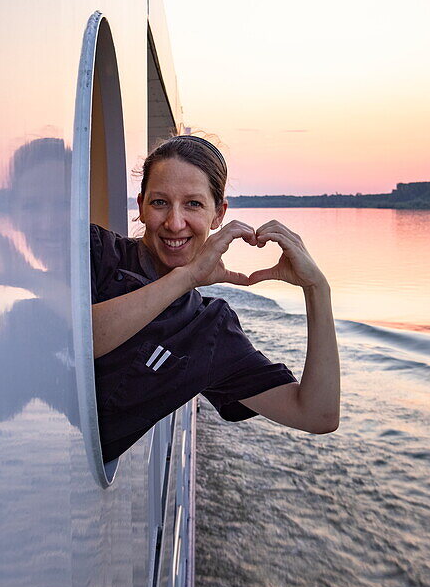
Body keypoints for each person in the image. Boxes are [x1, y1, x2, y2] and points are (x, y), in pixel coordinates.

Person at [92, 135, 340, 462]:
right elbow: (77, 341)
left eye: (193, 204)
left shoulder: (208, 332)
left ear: (218, 214)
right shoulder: (95, 252)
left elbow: (316, 414)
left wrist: (318, 290)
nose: (174, 222)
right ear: (140, 206)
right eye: (159, 202)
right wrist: (188, 277)